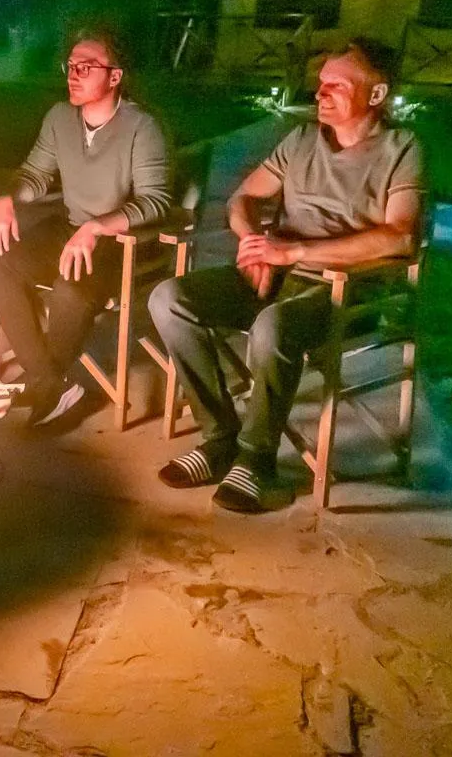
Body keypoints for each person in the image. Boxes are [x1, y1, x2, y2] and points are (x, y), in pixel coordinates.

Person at [148, 37, 424, 513]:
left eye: (336, 84)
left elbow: (401, 236)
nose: (320, 92)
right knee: (168, 298)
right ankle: (219, 440)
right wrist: (253, 243)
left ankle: (256, 461)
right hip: (273, 277)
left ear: (375, 95)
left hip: (343, 294)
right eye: (320, 84)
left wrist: (295, 249)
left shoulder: (402, 149)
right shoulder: (300, 140)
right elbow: (243, 199)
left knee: (272, 324)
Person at [0, 30, 171, 426]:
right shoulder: (59, 118)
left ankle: (44, 382)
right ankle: (52, 381)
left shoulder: (142, 127)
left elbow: (156, 202)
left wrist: (97, 228)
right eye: (71, 66)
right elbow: (34, 174)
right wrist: (8, 198)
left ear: (115, 77)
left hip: (122, 242)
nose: (74, 73)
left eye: (86, 67)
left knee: (70, 288)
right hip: (71, 229)